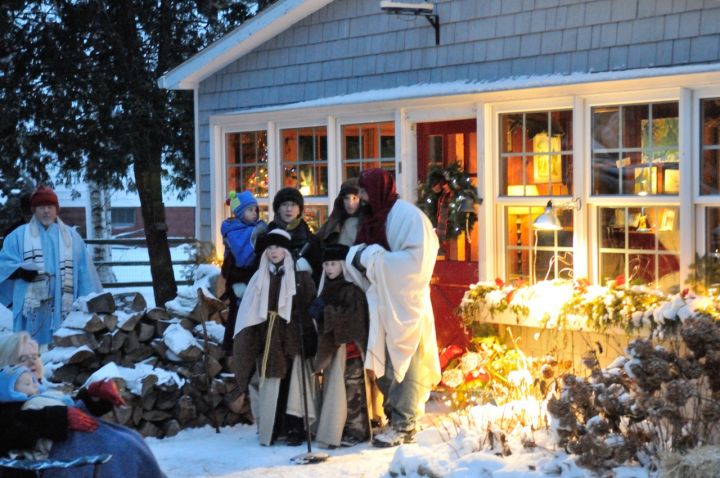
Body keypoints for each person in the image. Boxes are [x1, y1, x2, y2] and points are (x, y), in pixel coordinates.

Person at [347, 168, 441, 447]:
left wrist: (373, 258)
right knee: (384, 362)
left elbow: (417, 261)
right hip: (380, 302)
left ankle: (405, 423)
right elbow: (359, 250)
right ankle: (393, 416)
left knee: (406, 359)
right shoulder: (373, 218)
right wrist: (361, 256)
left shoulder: (408, 217)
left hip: (404, 304)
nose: (360, 198)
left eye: (364, 191)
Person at [0, 332, 165, 478]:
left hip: (82, 446)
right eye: (23, 359)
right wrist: (57, 417)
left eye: (35, 357)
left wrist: (93, 398)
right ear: (6, 367)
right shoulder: (6, 401)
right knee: (118, 447)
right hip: (58, 459)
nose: (32, 363)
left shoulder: (42, 392)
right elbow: (9, 426)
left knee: (129, 441)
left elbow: (74, 411)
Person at [232, 229, 318, 446]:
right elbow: (250, 310)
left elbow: (310, 306)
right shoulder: (261, 276)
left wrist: (307, 333)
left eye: (278, 247)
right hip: (270, 336)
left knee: (295, 384)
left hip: (293, 335)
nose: (273, 252)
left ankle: (295, 428)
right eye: (270, 248)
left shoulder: (300, 275)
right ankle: (272, 428)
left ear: (286, 250)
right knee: (271, 383)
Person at [0, 185, 102, 345]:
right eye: (41, 207)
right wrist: (19, 272)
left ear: (56, 210)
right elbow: (3, 266)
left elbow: (85, 274)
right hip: (31, 311)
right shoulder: (17, 236)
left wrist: (89, 303)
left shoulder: (72, 237)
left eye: (50, 207)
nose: (46, 211)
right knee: (30, 352)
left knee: (62, 351)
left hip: (64, 306)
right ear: (34, 210)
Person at [311, 243, 371, 448]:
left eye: (333, 264)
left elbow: (353, 320)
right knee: (336, 392)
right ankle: (340, 427)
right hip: (334, 351)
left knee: (353, 391)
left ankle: (358, 430)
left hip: (350, 351)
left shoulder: (352, 290)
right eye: (326, 264)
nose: (329, 269)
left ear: (343, 265)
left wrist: (325, 313)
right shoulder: (325, 289)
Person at [220, 190, 267, 355]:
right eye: (250, 210)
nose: (254, 214)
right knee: (238, 314)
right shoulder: (238, 232)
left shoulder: (256, 229)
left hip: (253, 278)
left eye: (256, 210)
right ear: (240, 212)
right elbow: (234, 259)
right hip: (239, 277)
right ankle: (234, 348)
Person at [0, 364, 76, 460]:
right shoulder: (11, 411)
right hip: (52, 452)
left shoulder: (41, 396)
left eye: (33, 381)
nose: (35, 385)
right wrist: (59, 415)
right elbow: (19, 430)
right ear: (10, 390)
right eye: (27, 384)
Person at [263, 187, 322, 285]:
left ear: (299, 210)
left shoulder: (311, 240)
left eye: (293, 205)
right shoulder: (267, 237)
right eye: (284, 204)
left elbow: (318, 275)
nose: (289, 209)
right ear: (277, 209)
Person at [315, 178, 365, 247]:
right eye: (346, 198)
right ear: (341, 200)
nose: (350, 203)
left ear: (361, 199)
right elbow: (315, 242)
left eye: (355, 198)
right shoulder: (334, 222)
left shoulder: (368, 224)